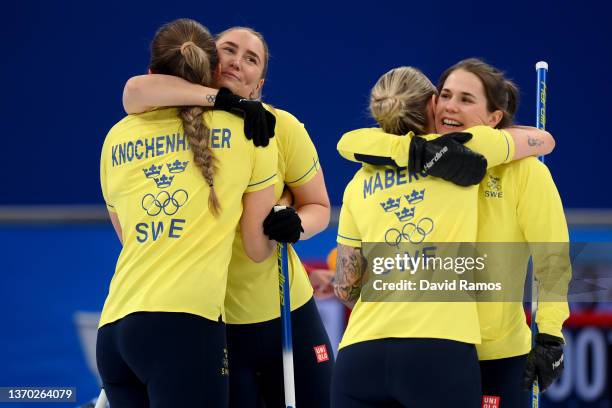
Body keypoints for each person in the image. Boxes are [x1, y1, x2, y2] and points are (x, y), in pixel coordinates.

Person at [336, 58, 570, 408]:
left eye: (465, 99)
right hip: (437, 348)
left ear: (494, 119)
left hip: (497, 354)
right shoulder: (409, 159)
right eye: (444, 95)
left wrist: (551, 334)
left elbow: (552, 258)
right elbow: (354, 141)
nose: (449, 106)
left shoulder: (524, 173)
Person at [122, 26, 334, 407]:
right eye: (229, 51)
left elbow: (319, 205)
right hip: (215, 325)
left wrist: (296, 224)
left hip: (287, 310)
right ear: (206, 58)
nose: (238, 62)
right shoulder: (173, 119)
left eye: (251, 59)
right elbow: (134, 91)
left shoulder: (281, 127)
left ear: (259, 83)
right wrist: (223, 102)